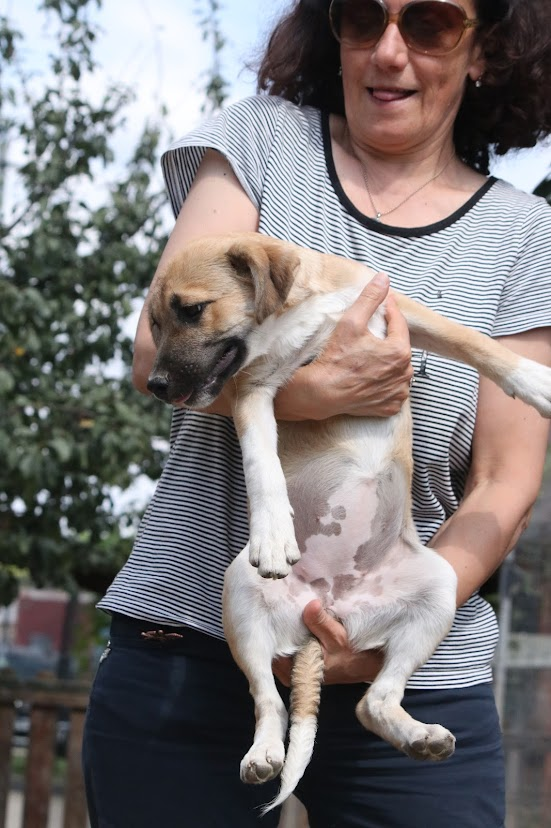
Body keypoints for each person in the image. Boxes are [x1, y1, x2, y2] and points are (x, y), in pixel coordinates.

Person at [82, 1, 551, 826]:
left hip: (410, 664)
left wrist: (384, 627)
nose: (388, 51)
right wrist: (314, 393)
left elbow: (502, 485)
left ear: (484, 52)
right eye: (362, 17)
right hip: (193, 650)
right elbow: (159, 357)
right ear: (330, 32)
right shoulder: (261, 141)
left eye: (432, 24)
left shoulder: (524, 235)